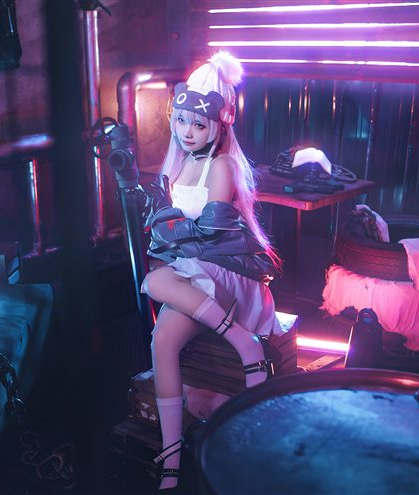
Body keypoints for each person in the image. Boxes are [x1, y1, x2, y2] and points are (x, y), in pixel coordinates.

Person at [141, 51, 283, 490]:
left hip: (227, 271)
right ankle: (170, 460)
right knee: (162, 339)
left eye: (199, 125)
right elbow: (175, 239)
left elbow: (209, 237)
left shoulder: (222, 166)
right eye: (182, 121)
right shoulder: (180, 163)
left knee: (154, 280)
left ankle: (243, 341)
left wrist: (168, 232)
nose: (187, 132)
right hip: (195, 274)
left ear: (220, 126)